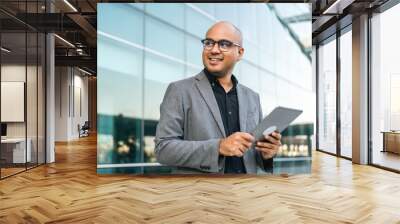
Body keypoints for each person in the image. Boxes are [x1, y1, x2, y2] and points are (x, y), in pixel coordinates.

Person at [154, 21, 281, 174]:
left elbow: (252, 156)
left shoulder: (252, 97)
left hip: (246, 191)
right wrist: (218, 147)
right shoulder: (179, 90)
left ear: (240, 53)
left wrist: (267, 154)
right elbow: (163, 150)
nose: (214, 50)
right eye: (209, 43)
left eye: (224, 44)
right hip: (202, 194)